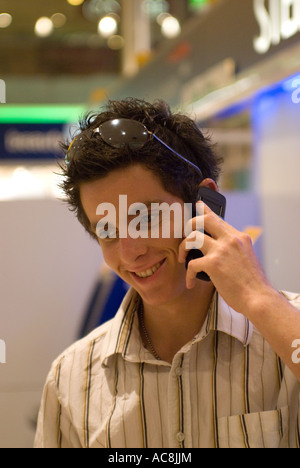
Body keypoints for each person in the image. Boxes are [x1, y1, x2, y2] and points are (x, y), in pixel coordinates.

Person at [34, 98, 300, 449]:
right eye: (108, 231)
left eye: (146, 217)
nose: (131, 252)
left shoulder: (284, 335)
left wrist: (260, 299)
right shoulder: (70, 379)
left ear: (203, 203)